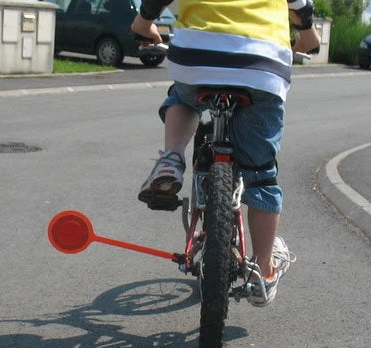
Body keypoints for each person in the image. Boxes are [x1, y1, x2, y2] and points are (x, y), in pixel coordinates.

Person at [132, 0, 320, 306]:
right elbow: (302, 9)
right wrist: (307, 38)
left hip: (197, 56)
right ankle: (262, 273)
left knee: (182, 97)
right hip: (262, 63)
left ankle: (171, 159)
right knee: (262, 175)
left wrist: (143, 24)